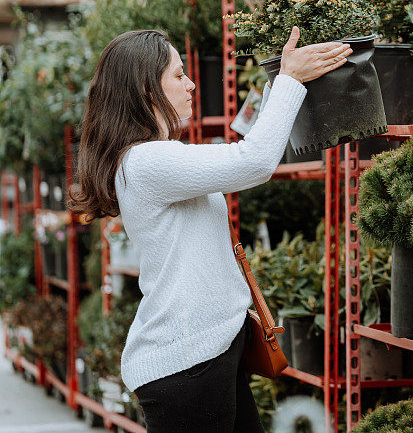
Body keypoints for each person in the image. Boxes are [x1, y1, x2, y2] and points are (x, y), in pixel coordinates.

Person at [68, 27, 351, 432]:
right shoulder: (148, 162)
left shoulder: (152, 159)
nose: (192, 83)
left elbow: (241, 150)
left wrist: (280, 83)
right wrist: (289, 80)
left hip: (207, 356)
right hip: (187, 365)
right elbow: (253, 162)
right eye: (179, 75)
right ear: (148, 91)